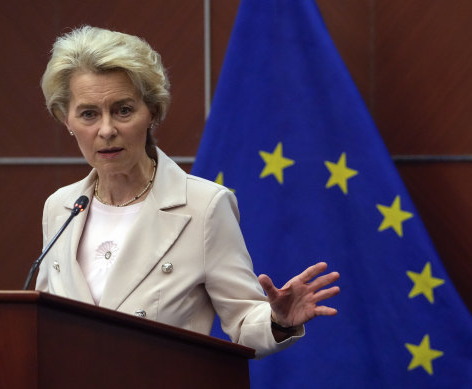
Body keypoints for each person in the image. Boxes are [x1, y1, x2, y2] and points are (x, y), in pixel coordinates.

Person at [35, 25, 339, 358]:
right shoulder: (60, 207)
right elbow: (44, 323)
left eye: (123, 110)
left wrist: (277, 321)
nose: (106, 130)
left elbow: (242, 319)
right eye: (89, 114)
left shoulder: (203, 206)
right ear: (66, 119)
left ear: (151, 112)